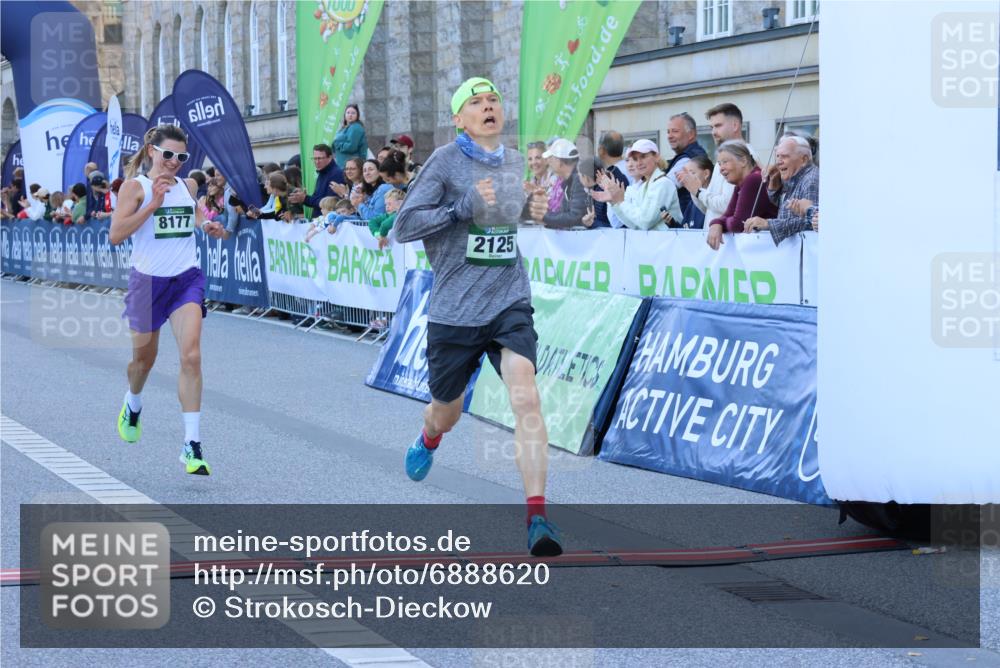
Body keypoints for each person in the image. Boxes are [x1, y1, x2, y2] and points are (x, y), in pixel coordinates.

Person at [393, 76, 562, 557]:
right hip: (456, 308)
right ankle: (429, 435)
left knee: (526, 394)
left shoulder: (513, 161)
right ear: (460, 118)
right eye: (477, 102)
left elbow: (507, 222)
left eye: (494, 100)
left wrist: (531, 209)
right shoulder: (445, 161)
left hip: (508, 297)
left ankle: (537, 518)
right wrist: (461, 207)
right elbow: (405, 225)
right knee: (446, 411)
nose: (489, 107)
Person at [109, 125, 226, 475]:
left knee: (191, 356)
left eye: (181, 157)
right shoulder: (135, 188)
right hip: (147, 283)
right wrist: (153, 204)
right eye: (168, 155)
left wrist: (208, 226)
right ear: (151, 153)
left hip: (185, 280)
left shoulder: (189, 186)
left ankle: (192, 445)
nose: (174, 162)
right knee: (143, 361)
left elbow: (195, 216)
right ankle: (133, 402)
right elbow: (116, 235)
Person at [680, 103, 755, 226]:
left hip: (730, 239)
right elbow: (709, 209)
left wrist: (699, 192)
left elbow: (727, 205)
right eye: (712, 127)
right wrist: (694, 190)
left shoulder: (745, 156)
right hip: (716, 238)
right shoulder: (723, 158)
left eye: (718, 126)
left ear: (735, 125)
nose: (714, 132)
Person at [590, 139, 683, 231]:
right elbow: (635, 224)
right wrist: (614, 202)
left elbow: (645, 222)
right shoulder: (645, 186)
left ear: (657, 157)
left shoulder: (663, 183)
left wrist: (620, 201)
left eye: (643, 156)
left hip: (666, 244)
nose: (638, 163)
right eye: (635, 159)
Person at [744, 135, 820, 245]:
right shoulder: (796, 175)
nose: (778, 162)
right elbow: (786, 208)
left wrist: (768, 224)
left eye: (784, 156)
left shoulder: (811, 179)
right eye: (777, 156)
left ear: (803, 159)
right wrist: (773, 185)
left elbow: (811, 221)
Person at [706, 140, 778, 250]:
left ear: (743, 161)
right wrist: (716, 223)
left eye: (725, 162)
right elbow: (727, 215)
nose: (721, 169)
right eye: (719, 164)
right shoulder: (741, 184)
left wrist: (720, 224)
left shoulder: (754, 179)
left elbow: (738, 224)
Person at [525, 138, 590, 228]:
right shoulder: (568, 181)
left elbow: (575, 217)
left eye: (551, 158)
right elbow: (563, 214)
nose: (548, 162)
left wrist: (543, 216)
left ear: (559, 162)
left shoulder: (579, 180)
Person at [664, 112, 708, 216]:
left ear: (691, 134)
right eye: (668, 132)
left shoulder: (688, 159)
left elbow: (663, 190)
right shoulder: (690, 155)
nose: (669, 136)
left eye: (675, 131)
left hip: (688, 225)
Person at [288, 144, 345, 214]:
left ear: (330, 157)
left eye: (320, 158)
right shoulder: (322, 172)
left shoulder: (336, 174)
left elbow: (330, 202)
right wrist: (303, 197)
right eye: (315, 158)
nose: (317, 162)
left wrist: (305, 198)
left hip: (328, 220)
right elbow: (317, 198)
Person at [674, 154, 713, 229]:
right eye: (686, 174)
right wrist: (672, 223)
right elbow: (686, 231)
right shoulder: (692, 203)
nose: (687, 177)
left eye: (692, 173)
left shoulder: (713, 200)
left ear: (706, 174)